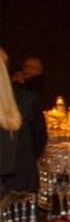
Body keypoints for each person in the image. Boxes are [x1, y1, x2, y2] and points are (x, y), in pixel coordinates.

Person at [0, 50, 46, 193]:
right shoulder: (26, 98)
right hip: (19, 179)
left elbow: (38, 139)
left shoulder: (25, 98)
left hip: (17, 183)